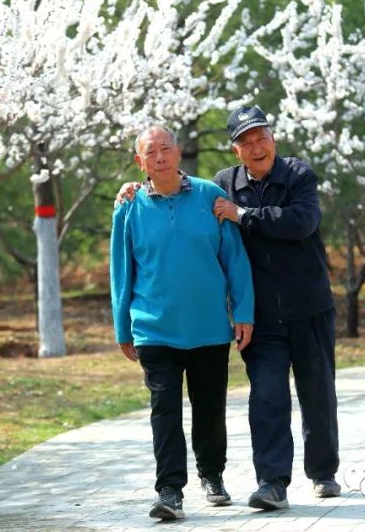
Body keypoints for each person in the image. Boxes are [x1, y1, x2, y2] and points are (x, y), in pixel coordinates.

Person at [115, 105, 341, 511]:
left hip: (309, 306)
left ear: (273, 139)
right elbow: (170, 212)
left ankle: (323, 472)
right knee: (267, 396)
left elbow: (301, 222)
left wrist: (243, 214)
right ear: (235, 150)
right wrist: (131, 189)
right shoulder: (223, 185)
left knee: (317, 393)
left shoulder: (296, 176)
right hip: (262, 317)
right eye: (246, 142)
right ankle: (272, 482)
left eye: (261, 138)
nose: (256, 147)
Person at [110, 125, 254, 521]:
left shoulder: (209, 195)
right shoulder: (129, 206)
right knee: (165, 410)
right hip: (154, 328)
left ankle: (212, 475)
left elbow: (234, 259)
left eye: (166, 148)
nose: (160, 157)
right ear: (140, 162)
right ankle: (170, 489)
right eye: (150, 152)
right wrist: (123, 326)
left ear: (179, 151)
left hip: (208, 326)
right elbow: (121, 270)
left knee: (210, 407)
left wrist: (242, 312)